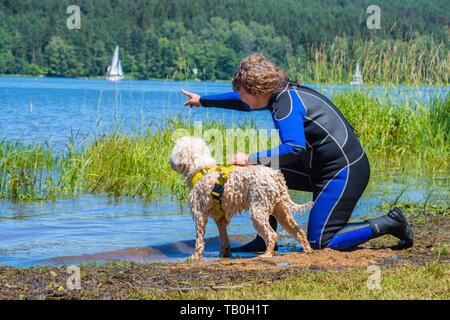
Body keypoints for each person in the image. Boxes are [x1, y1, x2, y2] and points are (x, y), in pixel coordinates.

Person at [181, 53, 413, 252]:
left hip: (345, 172)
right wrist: (203, 100)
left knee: (321, 241)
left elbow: (294, 148)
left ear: (257, 89)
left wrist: (249, 158)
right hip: (318, 167)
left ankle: (391, 222)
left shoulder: (286, 105)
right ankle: (264, 240)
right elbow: (244, 102)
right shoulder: (279, 94)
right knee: (263, 174)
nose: (241, 98)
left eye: (243, 92)